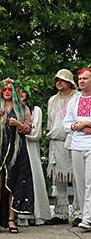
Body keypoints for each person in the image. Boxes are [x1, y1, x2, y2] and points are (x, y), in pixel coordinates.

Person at [0, 78, 34, 233]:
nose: (7, 92)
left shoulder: (22, 108)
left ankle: (12, 219)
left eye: (10, 89)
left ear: (14, 92)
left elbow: (28, 129)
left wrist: (18, 124)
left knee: (14, 181)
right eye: (4, 90)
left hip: (16, 149)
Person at [45, 69, 80, 226]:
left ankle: (80, 213)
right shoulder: (52, 99)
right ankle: (61, 213)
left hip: (75, 140)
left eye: (62, 80)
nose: (59, 82)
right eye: (57, 80)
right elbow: (51, 122)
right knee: (59, 179)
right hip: (57, 143)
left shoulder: (79, 97)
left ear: (70, 82)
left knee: (78, 178)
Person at [17, 78, 52, 226]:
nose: (22, 94)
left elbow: (36, 133)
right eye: (20, 91)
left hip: (30, 149)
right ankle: (21, 215)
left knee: (34, 178)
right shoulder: (14, 108)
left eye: (25, 91)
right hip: (17, 148)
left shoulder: (36, 109)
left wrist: (20, 128)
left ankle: (38, 213)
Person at [64, 68, 91, 230]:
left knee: (90, 181)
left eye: (85, 78)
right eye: (80, 79)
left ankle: (88, 218)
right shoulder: (74, 100)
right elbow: (67, 124)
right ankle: (82, 213)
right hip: (77, 144)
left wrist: (86, 124)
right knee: (79, 182)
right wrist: (79, 126)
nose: (81, 81)